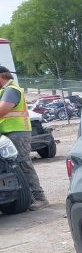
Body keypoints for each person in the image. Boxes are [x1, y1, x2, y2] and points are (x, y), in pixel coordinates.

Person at [0, 66, 48, 210]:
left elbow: (2, 109)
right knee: (15, 166)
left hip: (17, 133)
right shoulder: (6, 90)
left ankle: (40, 198)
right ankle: (30, 198)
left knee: (22, 164)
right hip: (11, 132)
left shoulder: (11, 90)